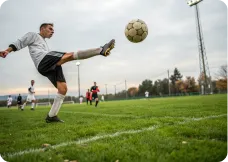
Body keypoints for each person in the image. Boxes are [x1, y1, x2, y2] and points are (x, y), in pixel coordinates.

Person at [0, 23, 115, 123]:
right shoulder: (33, 35)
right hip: (43, 60)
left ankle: (51, 116)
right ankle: (100, 50)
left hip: (47, 65)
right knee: (70, 55)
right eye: (50, 29)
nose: (52, 31)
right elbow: (20, 43)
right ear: (42, 29)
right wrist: (7, 50)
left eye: (53, 30)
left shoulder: (44, 43)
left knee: (63, 89)